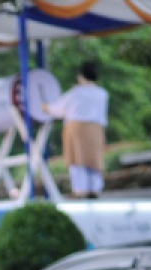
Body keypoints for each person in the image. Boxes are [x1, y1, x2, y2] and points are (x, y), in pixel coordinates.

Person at [45, 61, 109, 199]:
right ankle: (95, 189)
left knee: (77, 159)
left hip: (77, 129)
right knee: (94, 159)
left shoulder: (75, 93)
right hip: (96, 128)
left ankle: (80, 190)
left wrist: (44, 106)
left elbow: (57, 109)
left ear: (81, 76)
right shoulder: (102, 94)